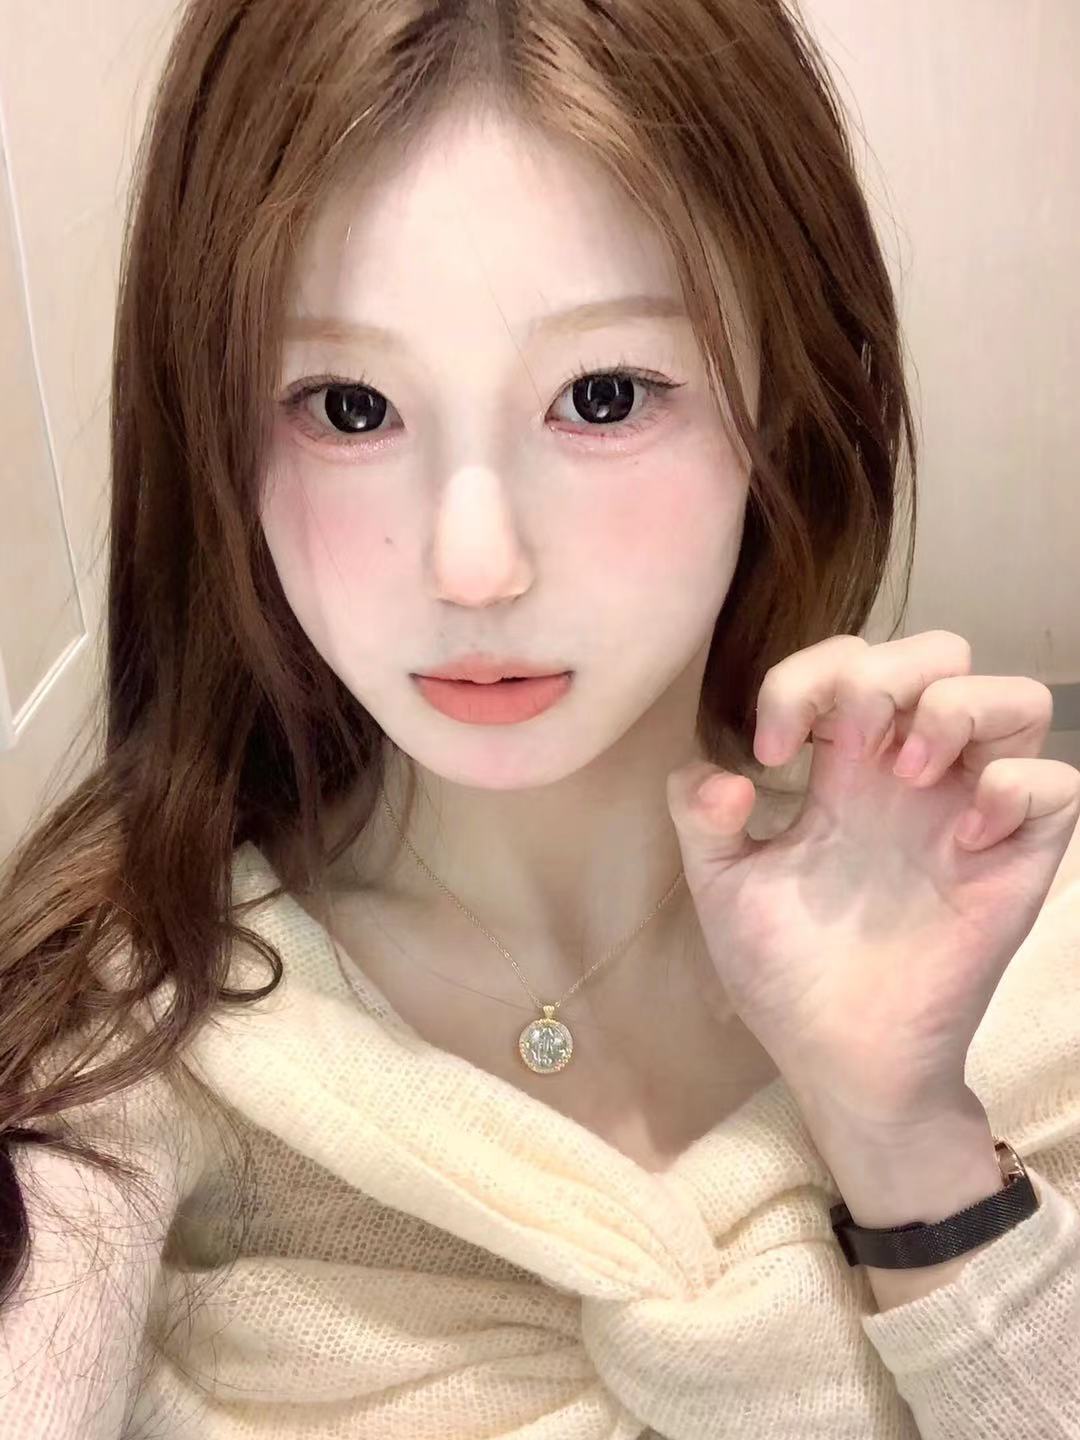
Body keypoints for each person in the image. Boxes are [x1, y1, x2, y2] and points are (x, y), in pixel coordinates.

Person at [1, 1, 1079, 1437]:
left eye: (605, 394)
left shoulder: (1007, 932)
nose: (475, 567)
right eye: (347, 407)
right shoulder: (133, 1033)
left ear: (791, 392)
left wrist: (912, 1146)